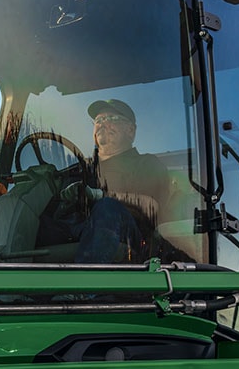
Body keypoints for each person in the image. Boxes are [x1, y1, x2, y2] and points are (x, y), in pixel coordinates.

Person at [65, 99, 170, 263]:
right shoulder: (78, 169)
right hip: (80, 230)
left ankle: (85, 286)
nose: (103, 123)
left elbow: (152, 207)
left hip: (132, 243)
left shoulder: (146, 164)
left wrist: (101, 195)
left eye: (112, 119)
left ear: (131, 130)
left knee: (107, 208)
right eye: (99, 120)